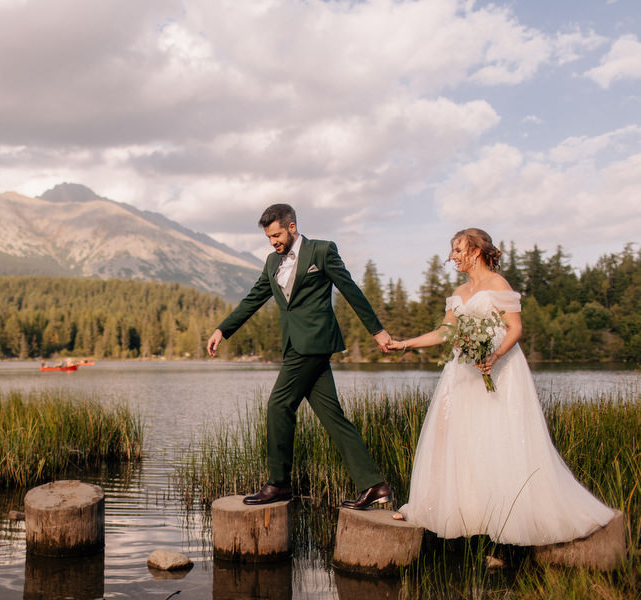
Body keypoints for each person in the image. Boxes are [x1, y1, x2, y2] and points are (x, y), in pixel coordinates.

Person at [387, 228, 616, 545]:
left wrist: (493, 356)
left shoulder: (498, 285)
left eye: (457, 249)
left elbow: (515, 328)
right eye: (452, 250)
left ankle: (506, 514)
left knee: (497, 437)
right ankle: (439, 508)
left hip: (498, 369)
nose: (452, 256)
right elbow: (445, 332)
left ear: (476, 250)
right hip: (461, 372)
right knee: (450, 436)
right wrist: (406, 344)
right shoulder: (459, 290)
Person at [207, 204, 394, 508]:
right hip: (295, 345)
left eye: (277, 235)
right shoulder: (272, 262)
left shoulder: (322, 251)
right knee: (333, 417)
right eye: (269, 237)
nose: (273, 242)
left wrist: (377, 331)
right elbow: (253, 298)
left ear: (292, 227)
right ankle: (375, 485)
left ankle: (278, 484)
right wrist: (222, 330)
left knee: (278, 405)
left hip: (315, 342)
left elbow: (350, 289)